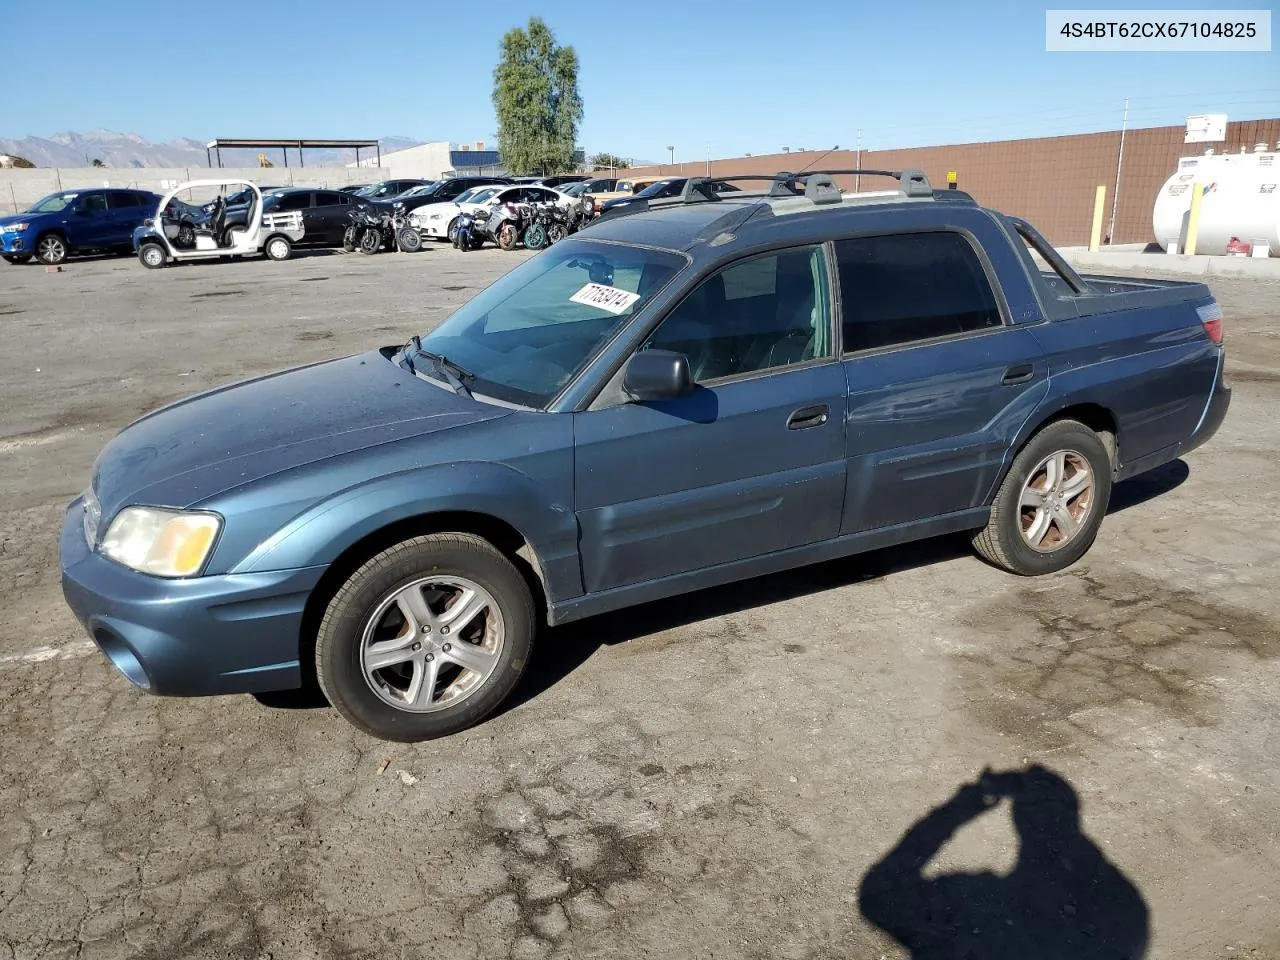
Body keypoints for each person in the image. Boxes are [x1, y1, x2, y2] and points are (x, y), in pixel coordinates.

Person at [858, 765, 1149, 959]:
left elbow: (878, 892)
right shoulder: (1122, 918)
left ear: (1018, 822)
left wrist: (966, 804)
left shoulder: (971, 912)